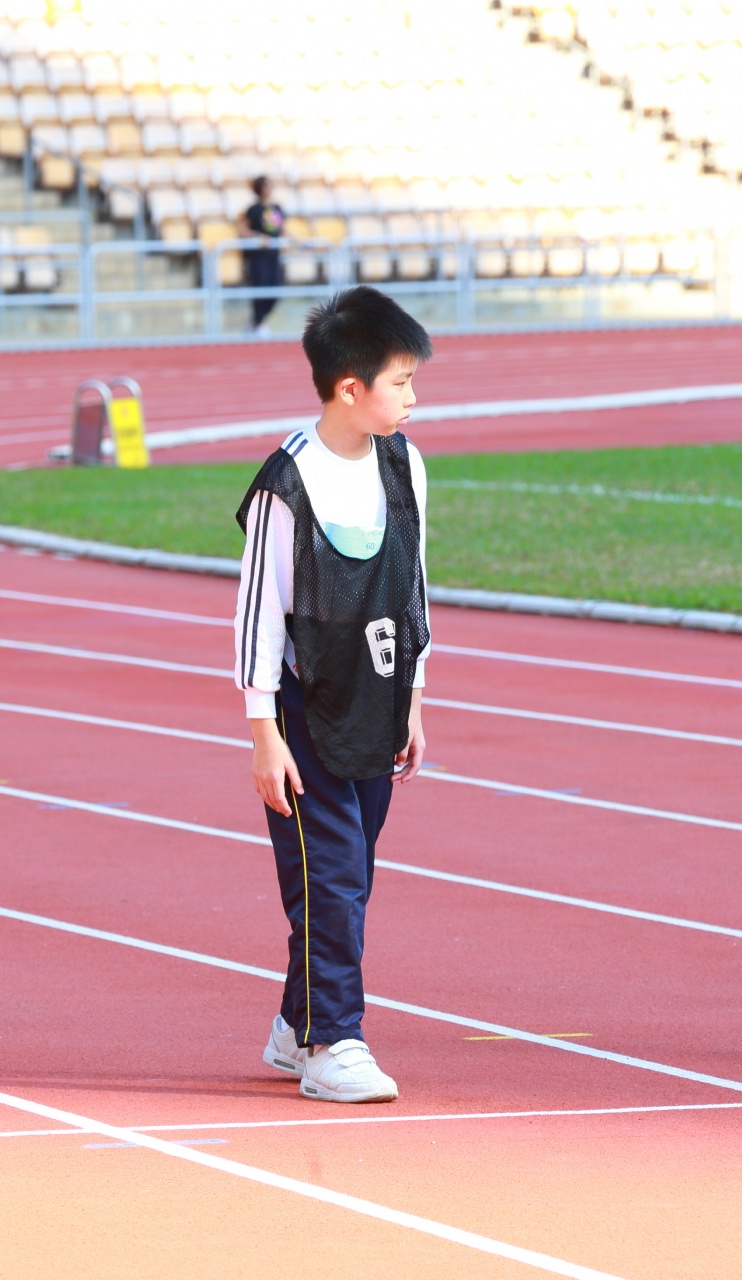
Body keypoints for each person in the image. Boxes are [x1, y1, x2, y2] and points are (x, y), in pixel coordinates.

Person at [233, 286, 433, 1103]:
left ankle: (295, 1025)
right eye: (401, 381)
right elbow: (257, 613)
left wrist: (413, 695)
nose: (414, 397)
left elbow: (414, 585)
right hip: (305, 710)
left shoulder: (404, 464)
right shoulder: (289, 482)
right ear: (350, 387)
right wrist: (263, 733)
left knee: (347, 877)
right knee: (334, 876)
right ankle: (331, 1044)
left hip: (376, 700)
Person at [238, 175, 286, 336]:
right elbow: (242, 229)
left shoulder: (277, 208)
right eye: (266, 185)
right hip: (258, 257)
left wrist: (299, 242)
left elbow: (282, 228)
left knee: (276, 291)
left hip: (274, 255)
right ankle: (259, 322)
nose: (269, 188)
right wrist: (257, 237)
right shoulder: (254, 209)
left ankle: (255, 320)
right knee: (261, 287)